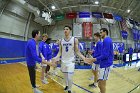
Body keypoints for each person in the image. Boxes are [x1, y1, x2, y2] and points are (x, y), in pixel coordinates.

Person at [52, 26, 87, 93]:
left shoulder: (74, 40)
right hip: (63, 61)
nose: (65, 30)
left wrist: (84, 58)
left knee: (70, 77)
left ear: (70, 30)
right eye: (64, 29)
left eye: (67, 29)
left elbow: (77, 51)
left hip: (71, 61)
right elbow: (60, 52)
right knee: (65, 77)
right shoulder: (61, 40)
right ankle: (67, 85)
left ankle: (69, 90)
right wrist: (56, 58)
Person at [86, 28, 114, 93]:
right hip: (103, 64)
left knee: (102, 84)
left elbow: (105, 54)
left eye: (101, 33)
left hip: (106, 64)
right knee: (100, 84)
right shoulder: (105, 40)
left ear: (105, 32)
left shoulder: (106, 40)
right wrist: (93, 54)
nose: (100, 34)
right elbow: (104, 53)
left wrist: (94, 59)